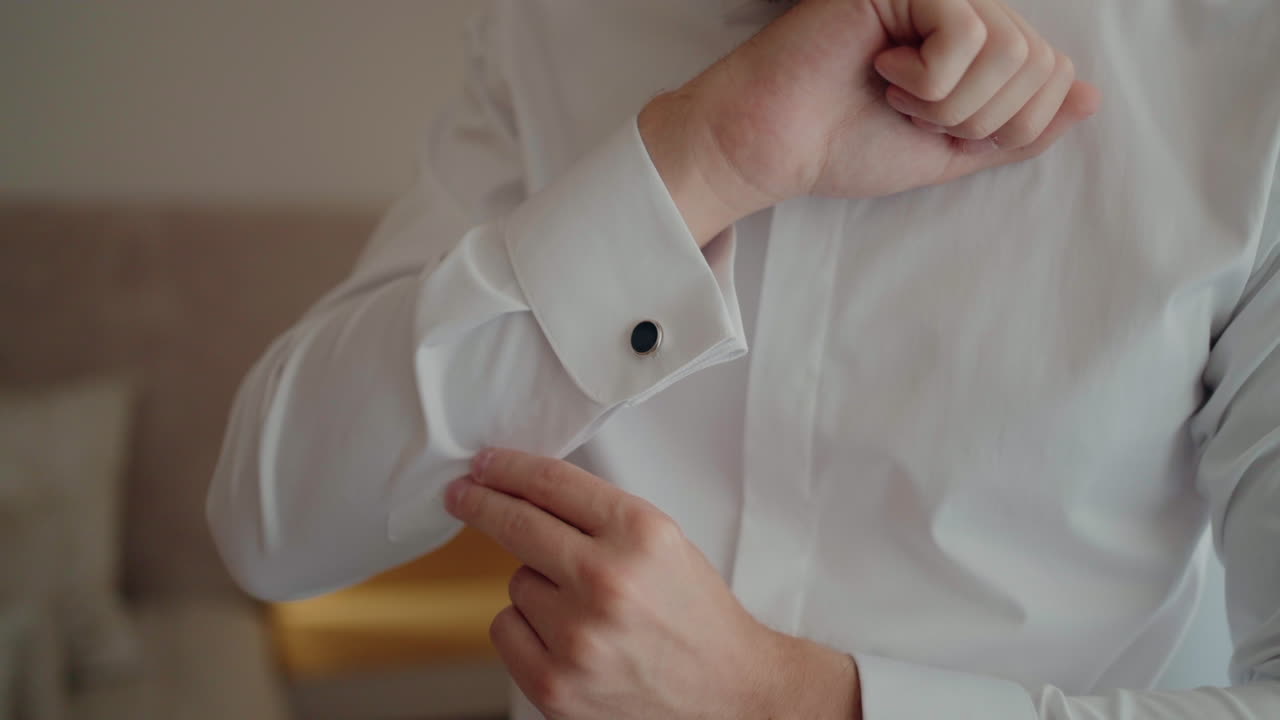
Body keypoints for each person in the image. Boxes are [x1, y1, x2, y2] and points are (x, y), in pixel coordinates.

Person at [207, 0, 1280, 717]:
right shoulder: (554, 26)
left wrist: (787, 699)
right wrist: (708, 155)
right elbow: (270, 525)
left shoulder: (1241, 75)